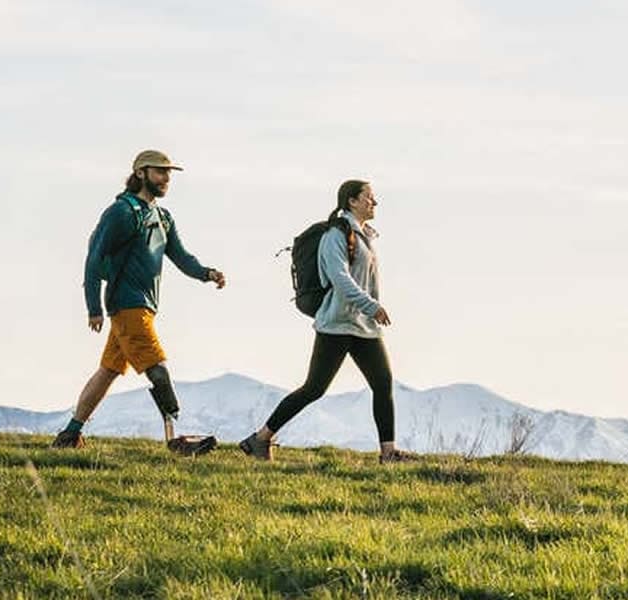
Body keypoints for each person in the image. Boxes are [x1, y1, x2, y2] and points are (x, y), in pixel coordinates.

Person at [50, 149, 229, 455]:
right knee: (158, 369)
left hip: (144, 306)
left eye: (169, 174)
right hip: (127, 304)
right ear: (142, 173)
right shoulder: (121, 212)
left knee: (108, 371)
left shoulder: (163, 217)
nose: (166, 178)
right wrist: (93, 306)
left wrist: (206, 273)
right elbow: (94, 259)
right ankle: (175, 441)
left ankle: (69, 435)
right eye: (160, 172)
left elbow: (181, 257)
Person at [238, 179, 416, 463]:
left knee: (383, 384)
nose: (375, 202)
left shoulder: (366, 235)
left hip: (363, 327)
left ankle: (388, 453)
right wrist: (372, 306)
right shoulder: (336, 234)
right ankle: (260, 439)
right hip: (336, 324)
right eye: (369, 197)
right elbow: (339, 277)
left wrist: (368, 311)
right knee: (314, 388)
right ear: (352, 201)